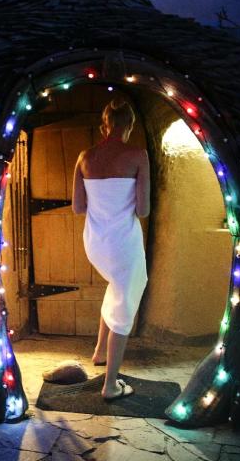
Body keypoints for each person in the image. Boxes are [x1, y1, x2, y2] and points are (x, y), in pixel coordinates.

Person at [71, 96, 150, 401]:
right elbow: (142, 210)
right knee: (125, 301)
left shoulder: (84, 157)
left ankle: (99, 352)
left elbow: (78, 207)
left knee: (115, 288)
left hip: (96, 243)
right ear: (129, 124)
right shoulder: (138, 155)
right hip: (124, 243)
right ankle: (110, 385)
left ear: (105, 124)